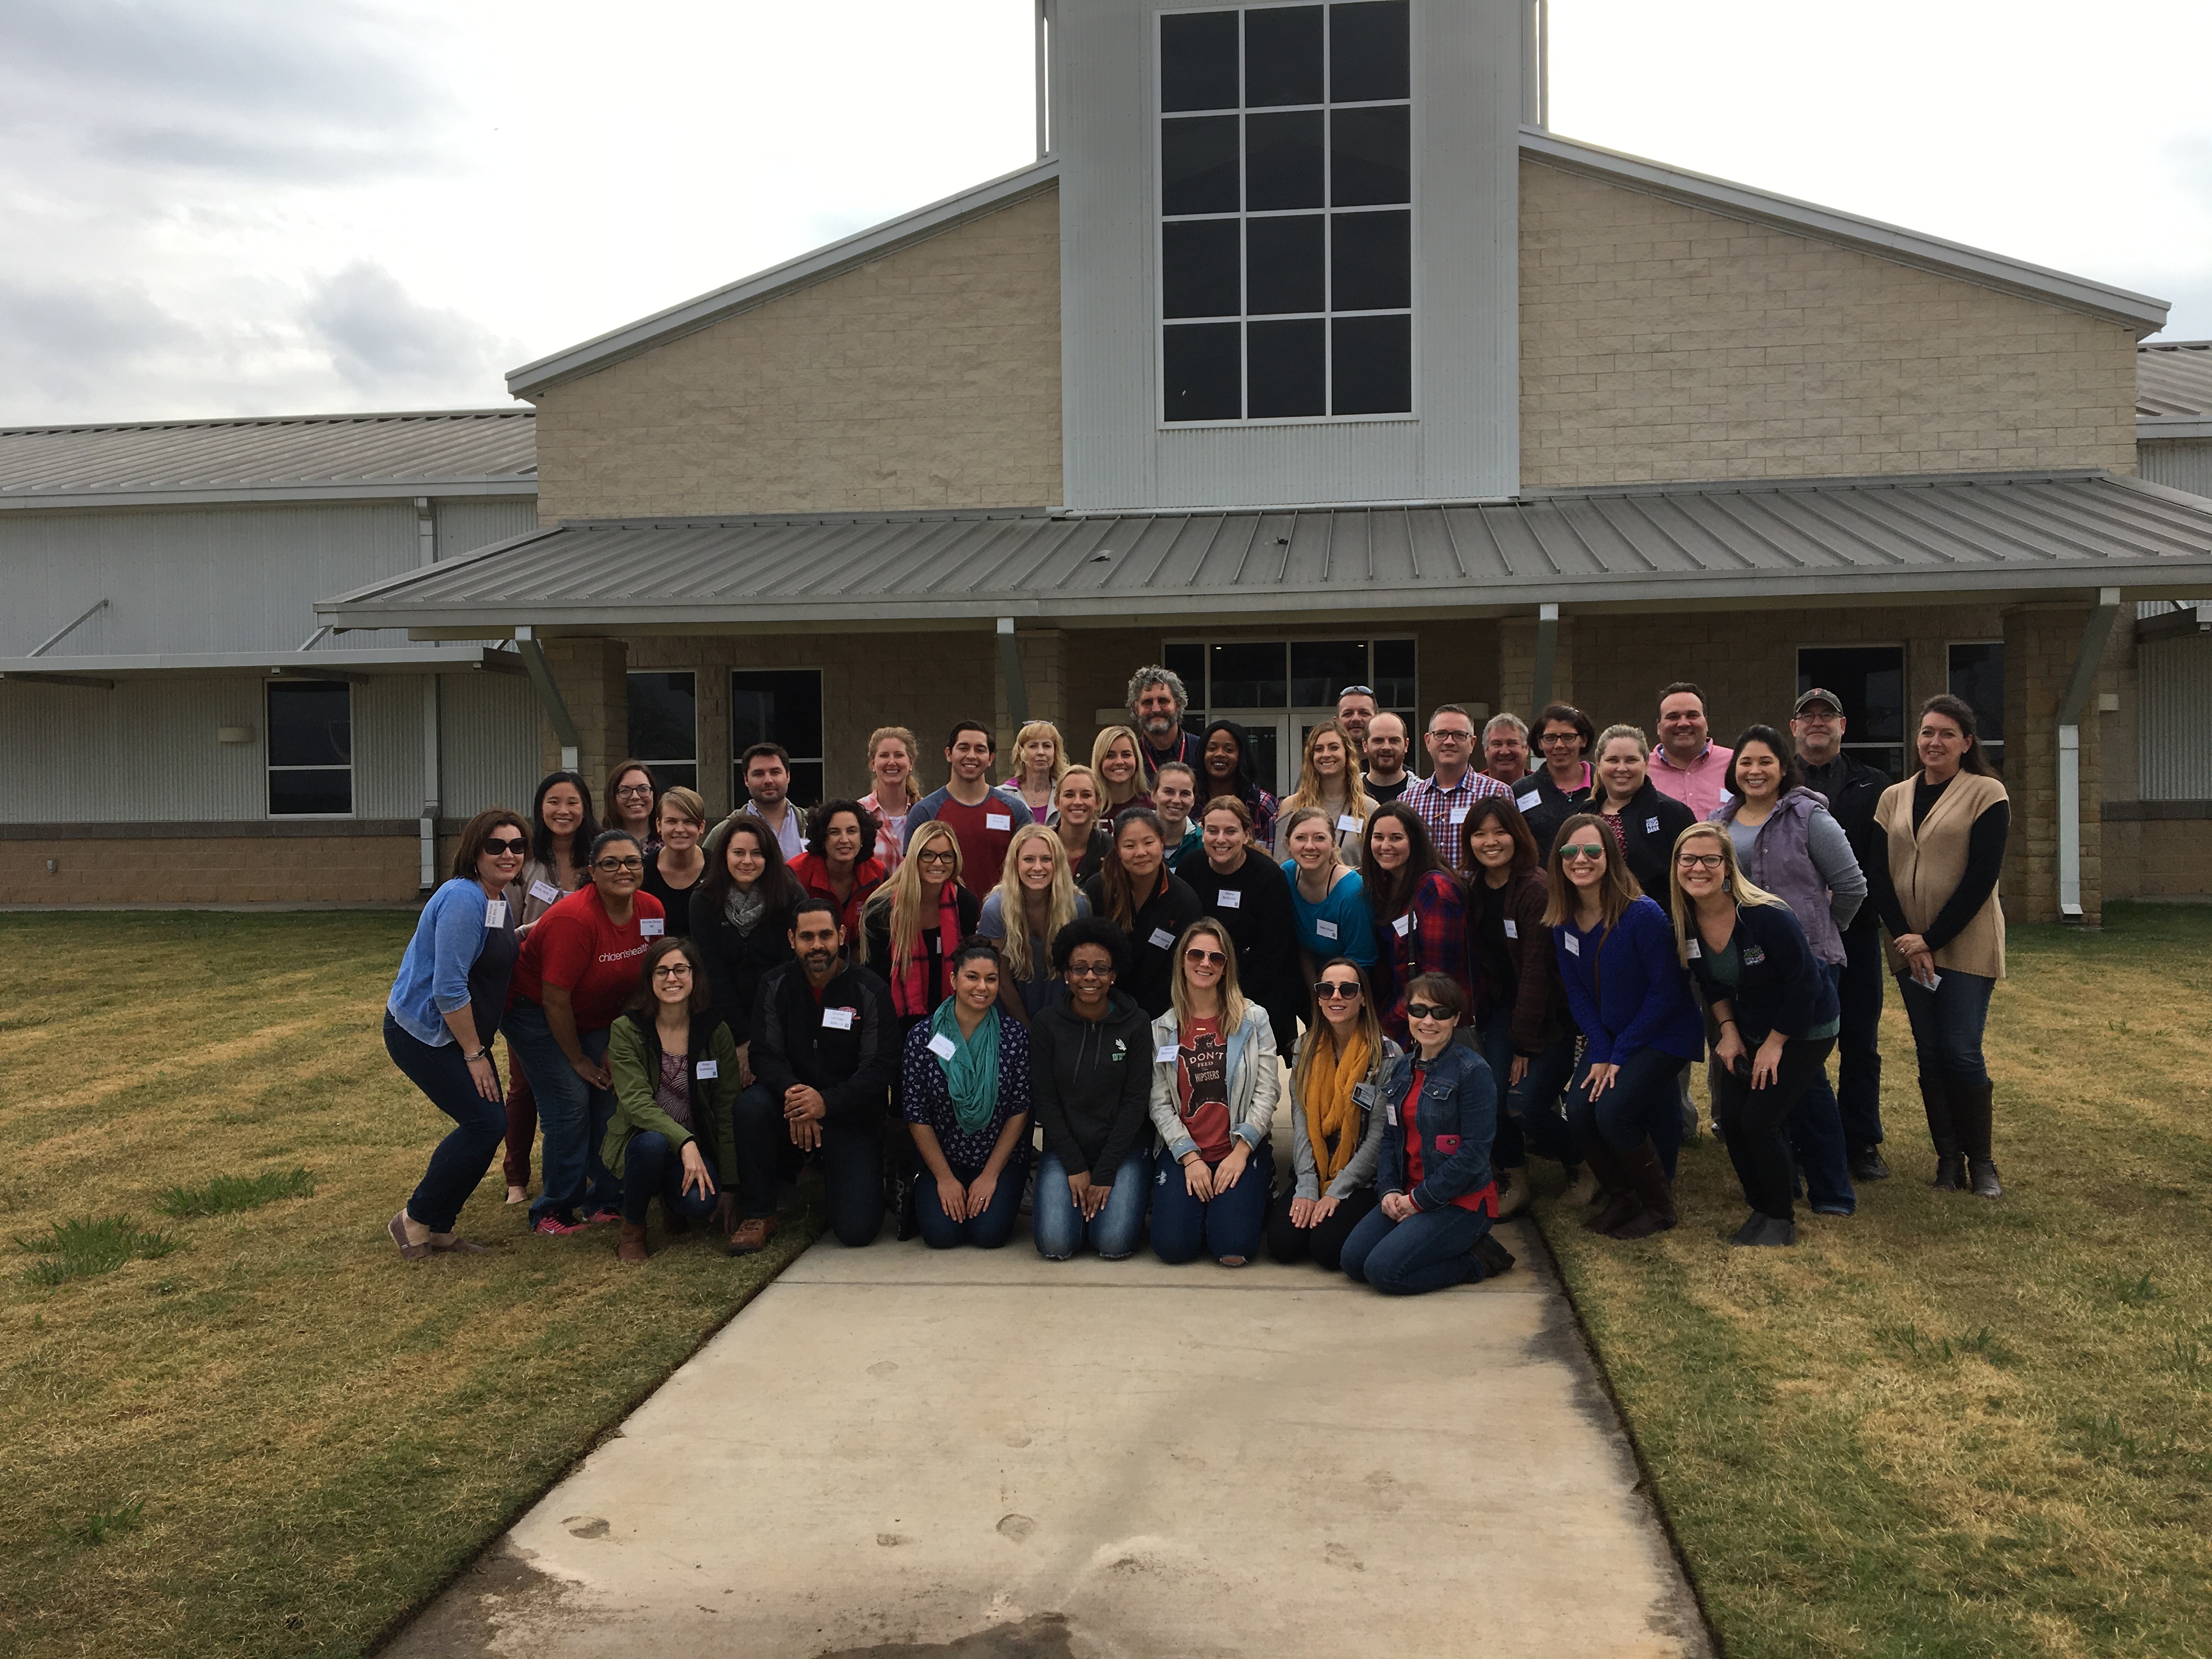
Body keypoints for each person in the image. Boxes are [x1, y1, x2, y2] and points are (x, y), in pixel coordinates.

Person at [1708, 725, 1867, 1217]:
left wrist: (1816, 937)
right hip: (1748, 972)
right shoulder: (1721, 820)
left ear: (1783, 767)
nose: (1754, 772)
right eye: (1746, 764)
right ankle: (1784, 1175)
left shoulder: (1808, 817)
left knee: (1806, 1083)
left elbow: (1852, 887)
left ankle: (1832, 1191)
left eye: (1765, 762)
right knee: (1766, 1080)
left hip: (1807, 972)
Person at [1670, 826, 1840, 1248]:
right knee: (1732, 1120)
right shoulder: (1687, 921)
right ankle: (1761, 1205)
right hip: (1750, 1024)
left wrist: (1776, 1044)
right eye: (1688, 859)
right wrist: (1728, 1032)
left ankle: (1781, 1219)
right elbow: (1712, 985)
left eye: (1710, 859)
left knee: (1760, 1121)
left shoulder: (1766, 916)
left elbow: (1805, 986)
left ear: (1728, 867)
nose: (1698, 868)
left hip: (1806, 1026)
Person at [1869, 693, 2010, 1198]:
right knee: (1929, 1053)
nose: (1934, 742)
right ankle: (1948, 1159)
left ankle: (1983, 1162)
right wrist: (1912, 941)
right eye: (1927, 732)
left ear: (1967, 742)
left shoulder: (1986, 793)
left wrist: (1931, 939)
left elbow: (1981, 877)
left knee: (1961, 1049)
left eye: (1947, 734)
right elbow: (1878, 875)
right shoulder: (1894, 797)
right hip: (1908, 947)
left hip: (1966, 944)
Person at [1547, 812, 1703, 1239]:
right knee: (1579, 1110)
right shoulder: (1563, 920)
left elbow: (1666, 992)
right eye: (1570, 851)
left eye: (1592, 850)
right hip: (1613, 1037)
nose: (1581, 859)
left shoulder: (1642, 914)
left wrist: (1619, 1053)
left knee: (1613, 1111)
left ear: (1610, 856)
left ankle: (1658, 1206)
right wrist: (1600, 1049)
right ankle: (1622, 1196)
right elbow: (1577, 993)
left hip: (1664, 1033)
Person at [382, 809, 529, 1258]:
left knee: (487, 1124)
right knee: (484, 1122)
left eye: (517, 846)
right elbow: (448, 988)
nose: (509, 854)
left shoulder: (494, 897)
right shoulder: (465, 898)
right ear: (474, 851)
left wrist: (537, 931)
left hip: (457, 1035)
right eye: (496, 846)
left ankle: (439, 1228)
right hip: (426, 1035)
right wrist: (474, 1053)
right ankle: (413, 1220)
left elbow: (490, 949)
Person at [506, 830, 667, 1236]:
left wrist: (616, 1045)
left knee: (613, 1091)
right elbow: (554, 998)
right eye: (610, 863)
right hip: (535, 1012)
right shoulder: (574, 920)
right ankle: (553, 1209)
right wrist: (578, 1059)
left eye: (632, 862)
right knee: (570, 1101)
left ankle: (605, 1199)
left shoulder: (651, 909)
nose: (623, 870)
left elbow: (644, 982)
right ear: (592, 871)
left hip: (598, 1012)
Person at [1338, 974, 1517, 1295]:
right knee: (1353, 1262)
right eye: (1419, 1010)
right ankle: (1434, 1241)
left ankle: (1478, 1259)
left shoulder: (1473, 1072)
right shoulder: (1402, 1068)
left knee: (1384, 1273)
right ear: (1407, 1014)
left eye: (1441, 1012)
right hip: (1408, 1193)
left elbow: (1474, 1154)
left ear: (1456, 1019)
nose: (1428, 1021)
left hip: (1460, 1202)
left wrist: (1419, 1201)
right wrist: (1390, 1191)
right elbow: (1391, 1139)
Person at [746, 897, 901, 1248]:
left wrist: (826, 1103)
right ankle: (758, 1211)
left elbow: (880, 1067)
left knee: (857, 1231)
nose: (817, 946)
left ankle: (838, 1176)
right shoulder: (774, 985)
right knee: (751, 1107)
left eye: (826, 935)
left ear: (842, 935)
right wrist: (797, 1097)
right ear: (791, 939)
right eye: (807, 937)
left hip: (849, 1111)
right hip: (789, 1104)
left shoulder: (870, 988)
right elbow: (764, 1055)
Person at [1791, 687, 1894, 1181]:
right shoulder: (1775, 783)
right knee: (1794, 1040)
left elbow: (1883, 862)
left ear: (1843, 726)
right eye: (1807, 716)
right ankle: (1797, 1137)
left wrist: (1848, 905)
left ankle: (1861, 1142)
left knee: (1859, 1040)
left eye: (1826, 716)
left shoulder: (1874, 786)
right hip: (1794, 939)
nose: (1816, 723)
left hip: (1854, 933)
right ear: (1794, 728)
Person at [688, 816, 802, 1254]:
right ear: (723, 856)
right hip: (722, 1024)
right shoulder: (704, 901)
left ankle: (784, 1177)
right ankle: (730, 1187)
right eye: (738, 852)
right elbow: (713, 975)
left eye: (757, 852)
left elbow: (788, 972)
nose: (748, 860)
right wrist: (740, 1041)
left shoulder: (788, 895)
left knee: (771, 1095)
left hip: (782, 1022)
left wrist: (764, 1041)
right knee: (727, 1100)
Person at [1462, 798, 1582, 1215]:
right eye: (1480, 833)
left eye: (1500, 832)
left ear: (1518, 835)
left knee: (1526, 1104)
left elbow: (1537, 972)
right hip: (1503, 1016)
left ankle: (1582, 1164)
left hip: (1547, 1019)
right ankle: (1515, 1176)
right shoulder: (1475, 888)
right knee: (1492, 1098)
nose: (1490, 842)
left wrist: (1523, 1046)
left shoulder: (1536, 889)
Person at [1147, 918, 1280, 1267]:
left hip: (1237, 1147)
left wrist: (1242, 1150)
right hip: (1186, 1152)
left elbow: (1268, 1091)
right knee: (1173, 1250)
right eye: (1196, 954)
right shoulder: (1162, 1028)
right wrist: (1189, 1158)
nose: (1205, 963)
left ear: (1225, 968)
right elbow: (1159, 1102)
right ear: (1182, 961)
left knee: (1232, 1251)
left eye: (1216, 958)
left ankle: (1252, 1190)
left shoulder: (1254, 1019)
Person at [603, 938, 741, 1264]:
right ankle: (633, 1230)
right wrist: (685, 1143)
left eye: (680, 970)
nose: (672, 979)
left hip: (694, 1148)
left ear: (695, 976)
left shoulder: (715, 1031)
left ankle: (672, 1199)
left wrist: (731, 1186)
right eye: (661, 972)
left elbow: (726, 1108)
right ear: (649, 980)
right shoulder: (626, 1030)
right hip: (644, 1142)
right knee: (651, 1145)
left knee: (701, 1204)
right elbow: (636, 1102)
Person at [1030, 919, 1156, 1261]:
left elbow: (1136, 1102)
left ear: (1114, 974)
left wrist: (1104, 1171)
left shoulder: (1136, 1023)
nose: (1090, 978)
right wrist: (1074, 1165)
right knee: (1056, 1245)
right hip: (1065, 1150)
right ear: (1066, 974)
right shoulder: (1046, 1024)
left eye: (1101, 969)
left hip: (1123, 1150)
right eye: (1080, 969)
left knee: (1113, 1243)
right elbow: (1045, 1100)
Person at [504, 771, 599, 1205]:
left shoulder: (596, 857)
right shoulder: (522, 859)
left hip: (585, 990)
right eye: (554, 802)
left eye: (573, 802)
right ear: (540, 808)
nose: (564, 811)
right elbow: (503, 927)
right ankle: (516, 1177)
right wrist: (540, 929)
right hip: (529, 989)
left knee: (587, 1086)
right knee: (525, 1088)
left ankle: (591, 1172)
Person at [1263, 960, 1396, 1271]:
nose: (1336, 997)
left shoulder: (1386, 1056)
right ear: (1318, 997)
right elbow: (1301, 1125)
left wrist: (1336, 1193)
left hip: (1362, 1178)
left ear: (1363, 998)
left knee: (1326, 1249)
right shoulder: (1304, 1050)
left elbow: (1378, 1138)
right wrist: (1308, 1187)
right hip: (1316, 1169)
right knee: (1283, 1245)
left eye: (1347, 990)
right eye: (1327, 990)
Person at [901, 943, 1034, 1250]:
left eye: (991, 979)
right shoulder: (924, 1037)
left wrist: (990, 1176)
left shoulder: (1014, 1037)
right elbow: (916, 1113)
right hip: (943, 1157)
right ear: (953, 980)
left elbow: (1020, 1109)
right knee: (941, 1236)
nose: (982, 987)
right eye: (972, 977)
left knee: (989, 1235)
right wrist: (945, 1180)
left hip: (997, 1158)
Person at [1187, 794, 1304, 1056]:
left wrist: (1231, 1000)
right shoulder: (1190, 868)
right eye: (1212, 831)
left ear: (1247, 835)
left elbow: (1275, 954)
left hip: (1255, 994)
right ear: (1202, 831)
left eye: (1231, 831)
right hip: (1200, 988)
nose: (1220, 839)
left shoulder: (1268, 877)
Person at [863, 820, 986, 1038]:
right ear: (914, 858)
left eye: (946, 856)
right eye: (928, 855)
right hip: (894, 1018)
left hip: (950, 1017)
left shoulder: (965, 905)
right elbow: (876, 976)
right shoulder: (881, 909)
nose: (938, 863)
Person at [1534, 725, 1696, 890]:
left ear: (1646, 763)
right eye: (1613, 760)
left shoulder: (1672, 814)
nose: (1622, 768)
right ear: (1599, 764)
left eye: (1631, 760)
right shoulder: (1584, 813)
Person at [1359, 804, 1468, 1043]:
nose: (1385, 846)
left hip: (1430, 1023)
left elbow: (1437, 979)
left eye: (1396, 838)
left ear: (1415, 841)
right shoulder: (1385, 882)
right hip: (1398, 1014)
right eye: (1378, 837)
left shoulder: (1437, 892)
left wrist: (1386, 1027)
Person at [1082, 807, 1204, 1018]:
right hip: (1102, 1009)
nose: (1141, 853)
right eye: (1129, 846)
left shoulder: (1184, 901)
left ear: (1162, 841)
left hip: (1163, 1014)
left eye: (1149, 843)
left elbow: (1184, 971)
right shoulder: (1097, 891)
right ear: (1118, 850)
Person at [906, 720, 1034, 896]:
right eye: (964, 748)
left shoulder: (1015, 810)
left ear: (990, 759)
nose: (971, 756)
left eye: (980, 750)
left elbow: (1029, 868)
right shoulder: (925, 812)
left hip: (1001, 917)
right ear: (949, 754)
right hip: (943, 917)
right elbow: (911, 875)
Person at [978, 823, 1091, 1019]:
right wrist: (1026, 1030)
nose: (1037, 867)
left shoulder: (1077, 906)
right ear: (1016, 864)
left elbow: (1079, 974)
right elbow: (1000, 979)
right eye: (1029, 859)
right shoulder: (996, 908)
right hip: (1010, 1008)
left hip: (1063, 1009)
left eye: (1046, 859)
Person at [1283, 807, 1378, 1001]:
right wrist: (1316, 996)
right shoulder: (1287, 875)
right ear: (1287, 844)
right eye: (1301, 838)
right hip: (1314, 985)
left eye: (1319, 838)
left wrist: (1334, 999)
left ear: (1333, 843)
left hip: (1353, 990)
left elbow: (1362, 960)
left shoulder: (1352, 892)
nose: (1310, 846)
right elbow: (1302, 947)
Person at [1403, 703, 1509, 875]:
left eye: (1459, 735)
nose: (1449, 742)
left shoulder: (1497, 793)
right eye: (1441, 734)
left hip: (1480, 899)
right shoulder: (1408, 800)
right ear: (1428, 741)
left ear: (1472, 743)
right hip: (1426, 899)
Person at [787, 798, 889, 941]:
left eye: (852, 831)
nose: (844, 839)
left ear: (862, 837)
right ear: (823, 838)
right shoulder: (796, 874)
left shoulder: (878, 873)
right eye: (835, 832)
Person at [1276, 718, 1372, 859]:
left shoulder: (1369, 808)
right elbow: (1281, 863)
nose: (1326, 755)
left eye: (1334, 747)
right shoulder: (1291, 806)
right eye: (1319, 749)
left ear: (1347, 753)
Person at [1649, 682, 1735, 820]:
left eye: (1692, 715)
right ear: (1659, 726)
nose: (1683, 723)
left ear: (1706, 722)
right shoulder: (1641, 772)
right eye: (1673, 717)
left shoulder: (1736, 764)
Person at [1510, 703, 1596, 828]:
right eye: (1550, 738)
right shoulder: (1521, 790)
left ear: (1584, 740)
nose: (1559, 745)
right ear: (1540, 743)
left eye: (1568, 737)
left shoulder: (1603, 785)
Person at [639, 786, 708, 938]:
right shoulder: (642, 872)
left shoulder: (719, 868)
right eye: (671, 822)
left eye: (689, 822)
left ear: (701, 827)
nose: (680, 829)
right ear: (659, 826)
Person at [1199, 719, 1278, 850]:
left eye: (1229, 750)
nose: (1219, 754)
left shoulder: (1263, 805)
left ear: (1242, 756)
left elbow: (1273, 860)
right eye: (1212, 748)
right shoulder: (1188, 800)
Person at [860, 725, 923, 871]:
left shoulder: (925, 813)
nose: (892, 762)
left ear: (911, 763)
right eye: (884, 755)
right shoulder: (859, 814)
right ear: (873, 764)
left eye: (899, 755)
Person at [1128, 663, 1205, 780]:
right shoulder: (1129, 758)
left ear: (1178, 704)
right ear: (1135, 708)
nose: (1156, 709)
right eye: (1147, 702)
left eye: (1163, 701)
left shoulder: (1202, 752)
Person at [740, 742, 807, 860]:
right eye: (759, 774)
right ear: (746, 780)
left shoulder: (812, 825)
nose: (768, 780)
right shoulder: (724, 831)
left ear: (788, 776)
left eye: (775, 772)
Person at [1050, 765, 1112, 882]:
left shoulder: (1110, 851)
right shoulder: (1042, 846)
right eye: (1069, 795)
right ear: (1057, 802)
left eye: (1086, 795)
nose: (1078, 802)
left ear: (1098, 802)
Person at [1003, 720, 1068, 823]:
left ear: (1055, 753)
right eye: (1033, 746)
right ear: (1021, 753)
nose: (1041, 752)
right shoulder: (1002, 796)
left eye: (1047, 746)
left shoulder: (1067, 793)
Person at [1151, 760, 1203, 871]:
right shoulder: (1135, 837)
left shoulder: (1203, 843)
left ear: (1194, 800)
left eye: (1185, 794)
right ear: (1154, 795)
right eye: (1169, 792)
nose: (1176, 800)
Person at [1091, 725, 1153, 817]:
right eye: (1110, 756)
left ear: (1137, 759)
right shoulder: (1088, 810)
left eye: (1126, 755)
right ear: (1099, 761)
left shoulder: (1153, 809)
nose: (1119, 762)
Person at [605, 759, 661, 853]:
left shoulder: (670, 844)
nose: (635, 797)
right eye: (625, 791)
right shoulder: (599, 846)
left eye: (643, 789)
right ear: (613, 797)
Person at [1362, 711, 1415, 804]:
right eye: (1378, 741)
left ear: (1406, 745)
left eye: (1394, 741)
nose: (1386, 747)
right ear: (1365, 745)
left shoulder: (1424, 795)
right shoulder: (1348, 792)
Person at [1482, 712, 1532, 788]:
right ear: (1486, 750)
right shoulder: (1472, 790)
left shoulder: (1544, 787)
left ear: (1526, 748)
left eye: (1512, 743)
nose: (1504, 752)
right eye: (1497, 744)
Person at [1334, 684, 1378, 759]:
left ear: (1378, 720)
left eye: (1364, 713)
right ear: (1336, 723)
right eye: (1348, 714)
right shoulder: (1323, 769)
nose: (1356, 719)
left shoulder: (1398, 770)